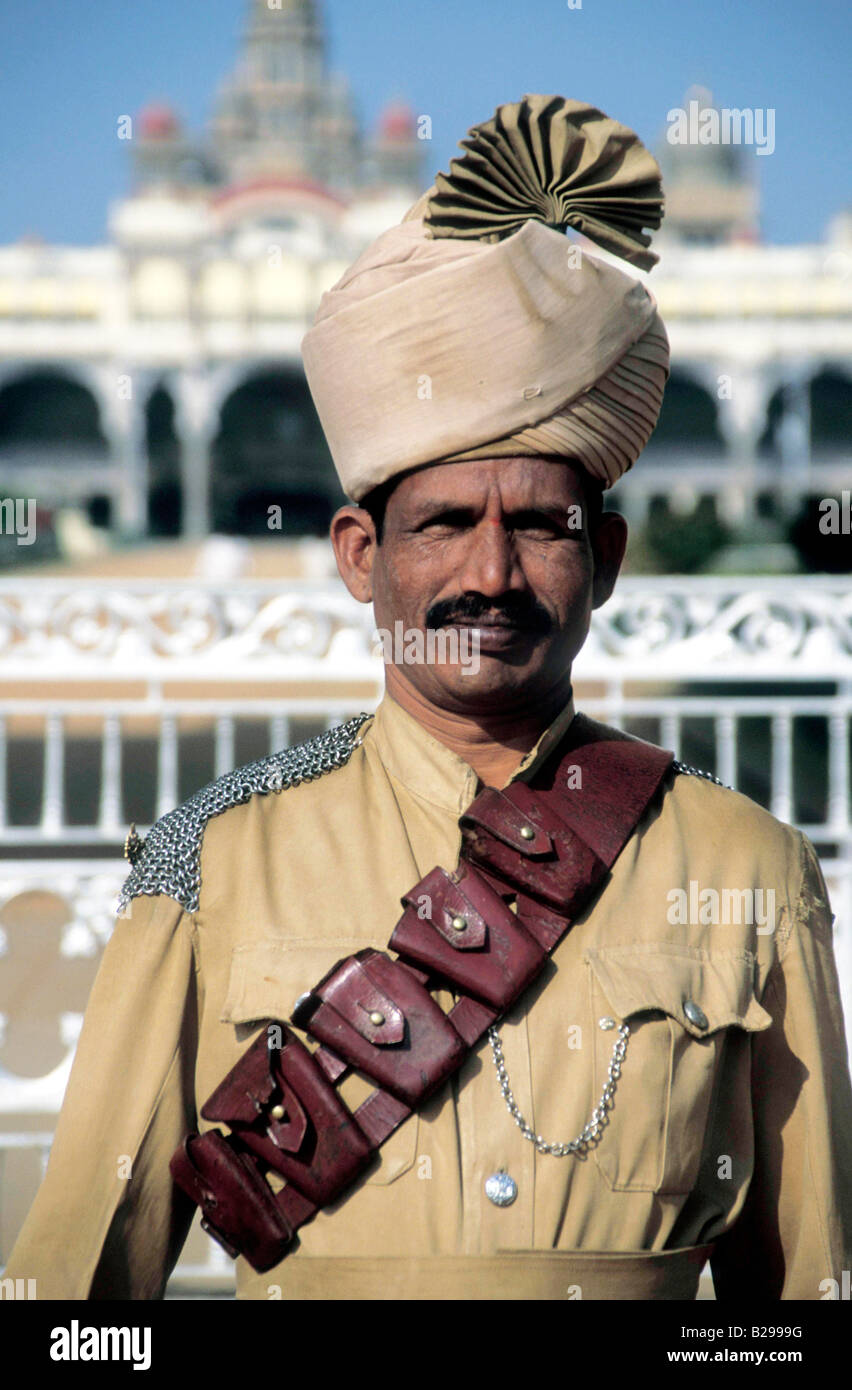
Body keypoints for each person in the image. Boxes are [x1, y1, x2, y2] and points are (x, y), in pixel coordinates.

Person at [5, 96, 851, 1301]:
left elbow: (811, 1291)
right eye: (445, 523)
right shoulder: (217, 857)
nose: (491, 575)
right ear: (361, 555)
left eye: (538, 530)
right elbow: (79, 1302)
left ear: (604, 558)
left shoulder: (747, 866)